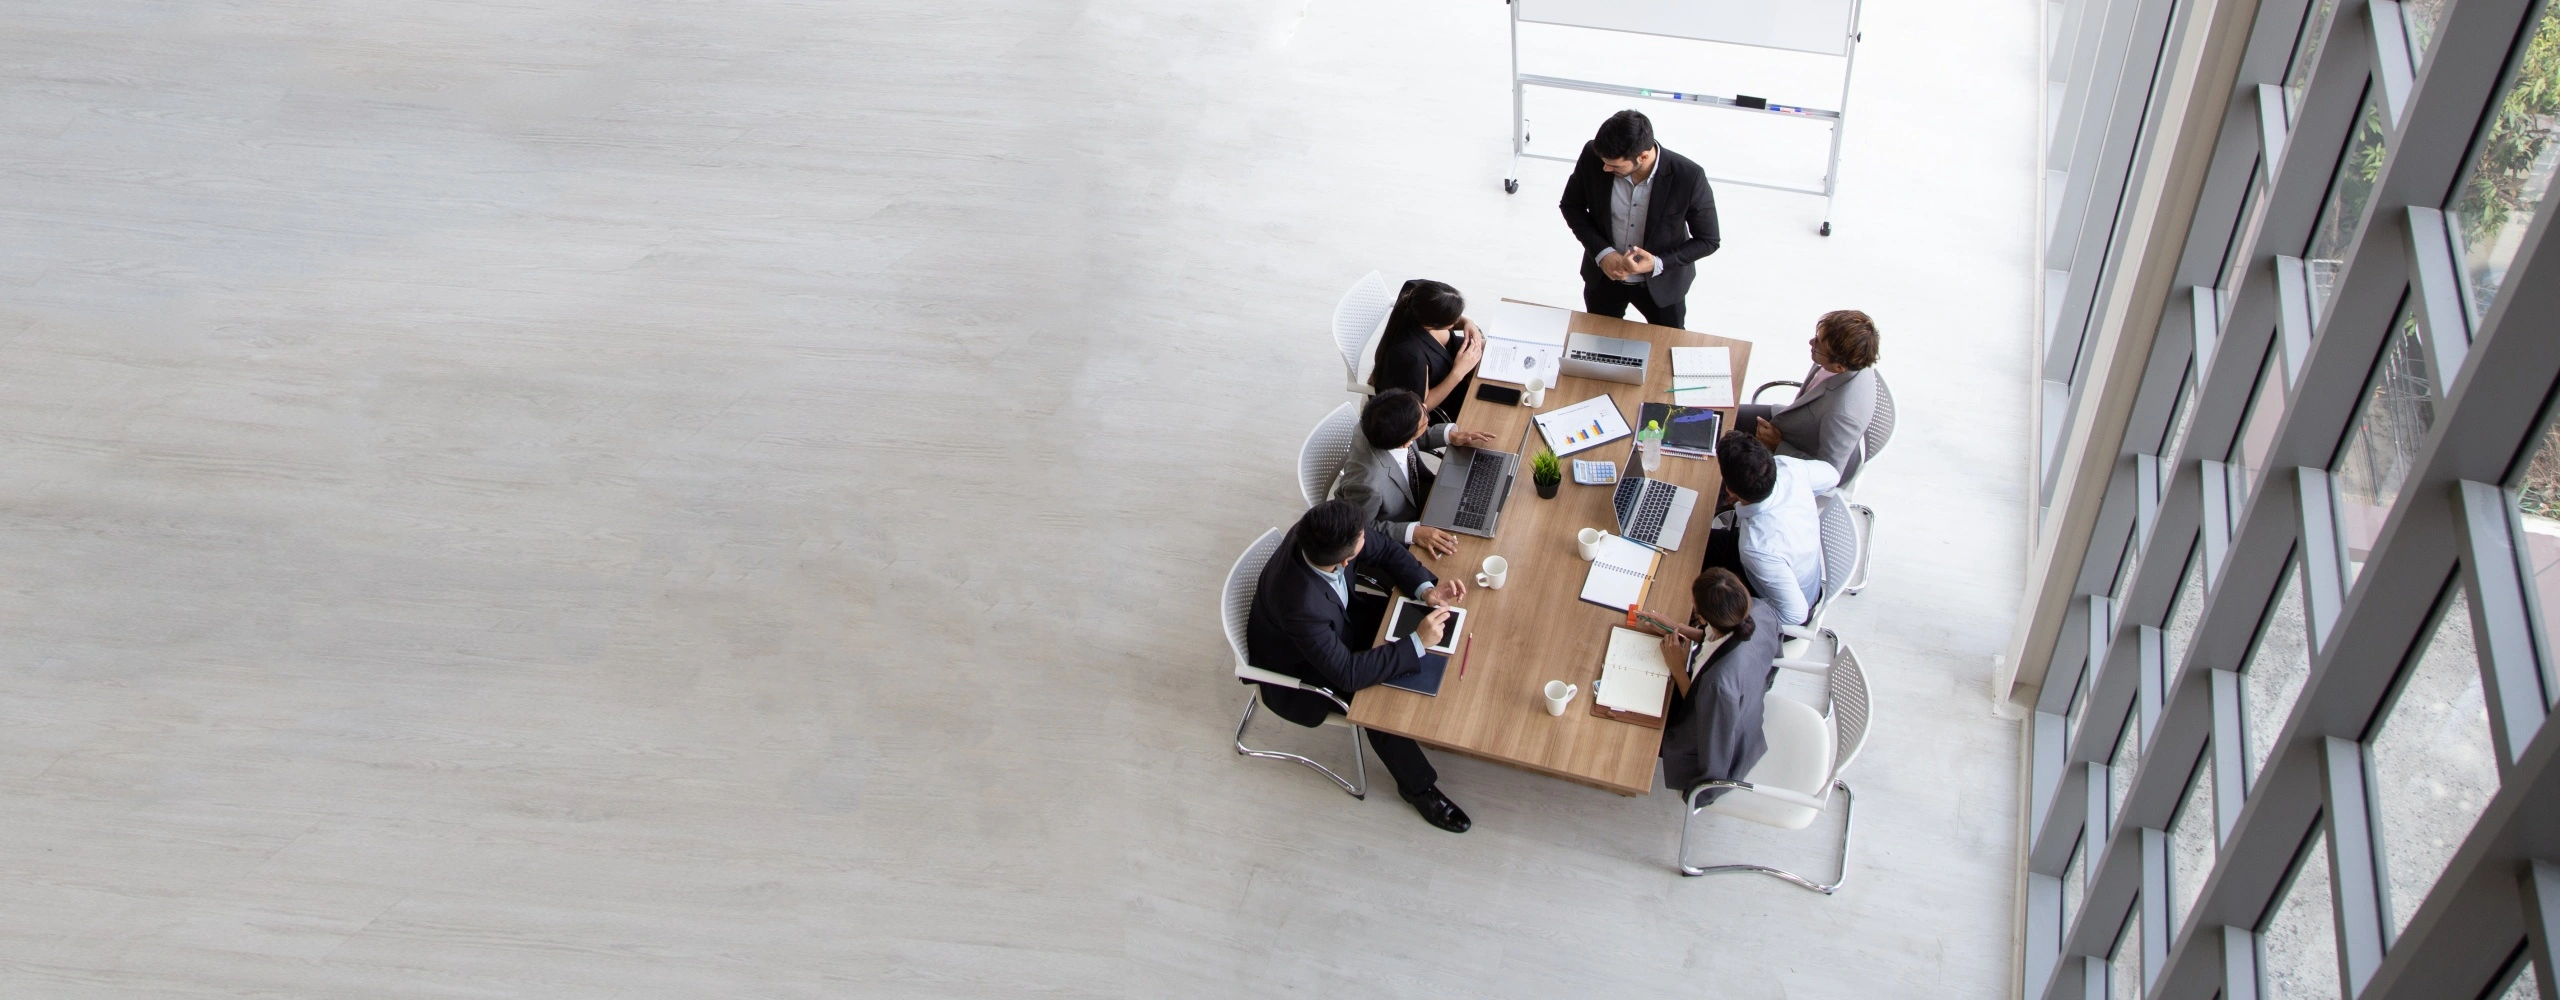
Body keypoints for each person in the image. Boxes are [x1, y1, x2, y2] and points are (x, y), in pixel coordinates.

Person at [1245, 499, 1474, 832]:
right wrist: (1416, 642)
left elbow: (1384, 550)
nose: (1368, 538)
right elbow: (1348, 675)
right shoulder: (1299, 604)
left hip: (1339, 622)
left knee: (1408, 630)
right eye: (1361, 541)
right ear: (1345, 560)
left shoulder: (1324, 528)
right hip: (1303, 671)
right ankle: (1418, 788)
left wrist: (1426, 590)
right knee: (1378, 705)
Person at [1557, 110, 1721, 330]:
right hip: (1604, 279)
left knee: (1666, 347)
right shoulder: (1594, 155)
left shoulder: (1689, 177)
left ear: (1643, 156)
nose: (1605, 168)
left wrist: (1658, 263)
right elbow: (1571, 206)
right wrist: (1604, 253)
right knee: (1598, 341)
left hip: (1662, 287)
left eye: (1614, 165)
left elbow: (1708, 240)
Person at [1633, 568, 1782, 801]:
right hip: (1740, 703)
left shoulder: (1718, 684)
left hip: (1718, 733)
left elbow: (1700, 715)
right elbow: (1720, 639)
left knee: (1633, 710)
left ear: (1702, 617)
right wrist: (1677, 627)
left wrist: (1678, 668)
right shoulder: (1757, 610)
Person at [1334, 389, 1500, 559]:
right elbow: (1359, 530)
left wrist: (1450, 436)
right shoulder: (1367, 484)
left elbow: (1415, 435)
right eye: (1424, 419)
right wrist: (1413, 533)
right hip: (1400, 527)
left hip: (1422, 494)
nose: (1427, 406)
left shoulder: (1377, 423)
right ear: (1405, 441)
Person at [1703, 432, 1838, 627]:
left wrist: (1741, 612)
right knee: (1694, 541)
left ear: (1730, 491)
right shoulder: (1789, 468)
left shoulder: (1757, 547)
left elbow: (1795, 615)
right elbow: (1832, 475)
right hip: (1792, 575)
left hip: (1780, 604)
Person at [1735, 310, 1882, 482]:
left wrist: (1778, 446)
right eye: (1817, 337)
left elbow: (1829, 473)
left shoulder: (1842, 415)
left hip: (1800, 455)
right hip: (1797, 422)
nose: (1811, 342)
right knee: (1722, 416)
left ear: (1839, 368)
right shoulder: (1851, 356)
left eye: (1818, 343)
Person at [1367, 279, 1484, 425]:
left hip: (1453, 362)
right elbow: (1422, 407)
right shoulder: (1410, 356)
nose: (1456, 321)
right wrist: (1458, 372)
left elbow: (1454, 318)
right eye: (1453, 320)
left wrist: (1468, 323)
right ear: (1433, 324)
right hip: (1444, 402)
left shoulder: (1414, 293)